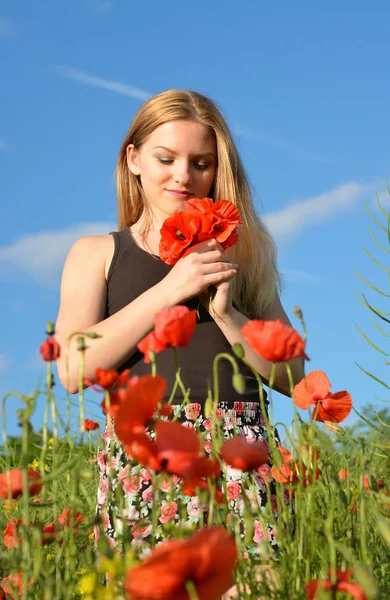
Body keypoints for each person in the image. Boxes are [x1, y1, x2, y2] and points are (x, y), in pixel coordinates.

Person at [55, 89, 305, 597]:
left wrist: (229, 315)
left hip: (241, 457)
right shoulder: (97, 253)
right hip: (147, 459)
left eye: (201, 163)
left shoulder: (244, 256)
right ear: (134, 160)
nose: (183, 176)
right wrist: (171, 289)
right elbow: (72, 368)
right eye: (165, 159)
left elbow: (295, 378)